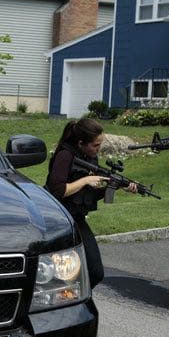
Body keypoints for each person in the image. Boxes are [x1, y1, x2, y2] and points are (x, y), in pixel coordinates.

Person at [44, 117, 134, 287]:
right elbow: (57, 190)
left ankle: (76, 300)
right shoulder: (65, 155)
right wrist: (85, 180)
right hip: (58, 219)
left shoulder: (90, 158)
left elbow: (88, 195)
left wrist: (117, 186)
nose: (98, 149)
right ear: (80, 143)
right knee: (62, 275)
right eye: (95, 145)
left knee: (95, 272)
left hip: (77, 218)